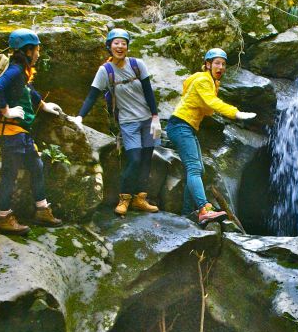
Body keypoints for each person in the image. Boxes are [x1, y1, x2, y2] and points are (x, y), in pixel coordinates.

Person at [71, 28, 162, 217]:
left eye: (123, 43)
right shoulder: (105, 71)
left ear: (127, 46)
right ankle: (125, 198)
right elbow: (92, 96)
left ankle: (140, 199)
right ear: (109, 46)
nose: (120, 47)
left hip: (147, 120)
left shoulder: (138, 65)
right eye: (116, 43)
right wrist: (80, 117)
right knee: (135, 159)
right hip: (128, 122)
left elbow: (148, 92)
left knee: (146, 159)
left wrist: (155, 117)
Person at [165, 48, 256, 225]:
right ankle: (203, 209)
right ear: (208, 65)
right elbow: (212, 103)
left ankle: (187, 213)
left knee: (199, 169)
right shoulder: (202, 80)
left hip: (187, 127)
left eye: (223, 64)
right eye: (216, 63)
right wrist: (235, 113)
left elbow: (206, 106)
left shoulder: (212, 83)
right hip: (179, 125)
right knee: (194, 168)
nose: (220, 67)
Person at [0, 28, 63, 235]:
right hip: (11, 134)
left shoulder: (21, 71)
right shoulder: (14, 70)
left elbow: (28, 91)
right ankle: (3, 217)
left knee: (36, 166)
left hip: (21, 133)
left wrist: (44, 105)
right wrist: (7, 110)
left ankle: (41, 209)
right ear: (28, 51)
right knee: (10, 175)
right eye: (37, 49)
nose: (39, 54)